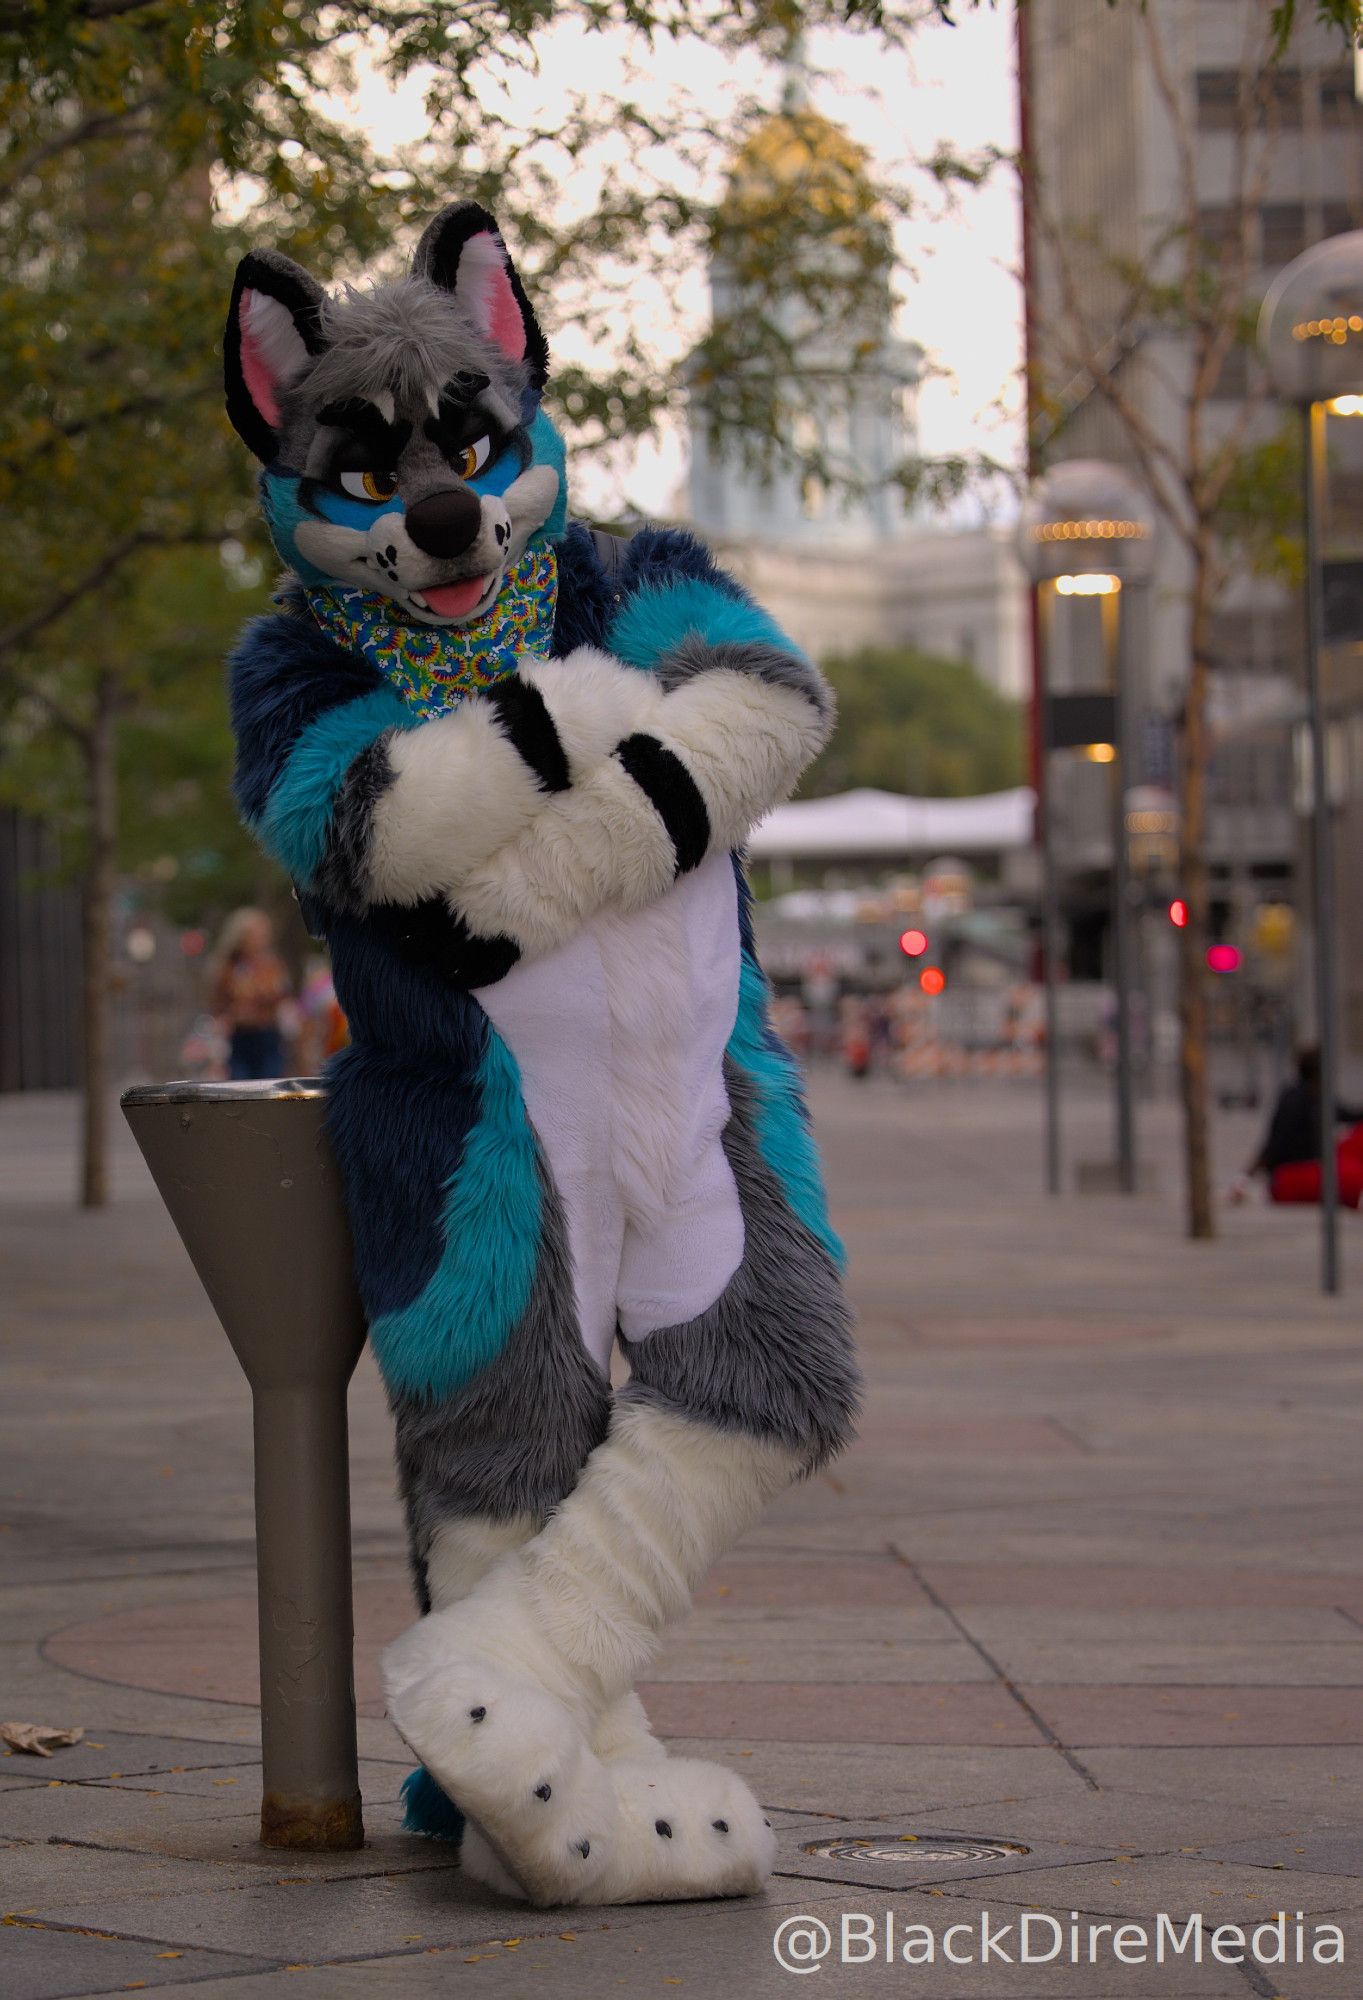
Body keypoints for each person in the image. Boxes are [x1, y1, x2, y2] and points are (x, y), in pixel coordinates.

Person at [1229, 1046, 1363, 1209]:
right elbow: (1272, 1146)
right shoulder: (1294, 1100)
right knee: (1349, 1174)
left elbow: (1351, 1115)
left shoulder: (1320, 1098)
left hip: (1315, 1165)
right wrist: (1244, 1179)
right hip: (1291, 1175)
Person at [207, 908, 291, 1081]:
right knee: (240, 1085)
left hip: (267, 1036)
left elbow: (281, 996)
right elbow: (217, 1002)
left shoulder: (271, 966)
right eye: (254, 934)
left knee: (269, 1085)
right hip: (240, 1037)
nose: (260, 938)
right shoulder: (228, 967)